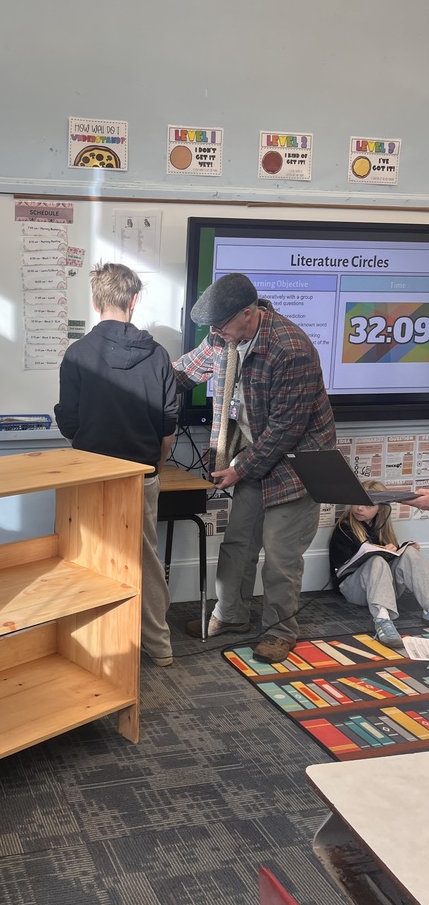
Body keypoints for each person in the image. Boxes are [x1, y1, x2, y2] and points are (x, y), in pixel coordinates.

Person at [173, 272, 336, 664]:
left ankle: (280, 631)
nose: (215, 333)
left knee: (281, 556)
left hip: (299, 464)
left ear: (249, 313)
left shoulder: (289, 347)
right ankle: (231, 617)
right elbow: (182, 372)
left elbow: (286, 429)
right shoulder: (222, 337)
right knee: (239, 544)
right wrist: (136, 372)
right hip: (254, 458)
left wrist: (241, 467)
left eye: (222, 325)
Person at [54, 262, 178, 666]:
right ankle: (158, 645)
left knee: (87, 559)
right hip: (141, 476)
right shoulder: (159, 357)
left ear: (95, 302)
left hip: (90, 474)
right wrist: (154, 468)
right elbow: (167, 428)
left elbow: (69, 424)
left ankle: (96, 646)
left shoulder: (76, 354)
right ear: (134, 300)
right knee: (144, 556)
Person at [329, 480, 429, 648]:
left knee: (410, 553)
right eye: (357, 502)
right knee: (375, 560)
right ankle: (383, 620)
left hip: (384, 591)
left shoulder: (382, 527)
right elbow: (344, 571)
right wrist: (376, 551)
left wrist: (399, 550)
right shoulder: (344, 528)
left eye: (368, 505)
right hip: (355, 591)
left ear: (380, 508)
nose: (359, 508)